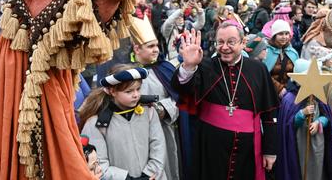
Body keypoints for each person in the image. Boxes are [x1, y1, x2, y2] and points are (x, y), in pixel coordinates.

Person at [171, 23, 279, 180]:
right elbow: (182, 89)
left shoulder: (258, 69)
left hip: (248, 152)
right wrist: (189, 65)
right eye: (220, 42)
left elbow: (269, 114)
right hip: (210, 151)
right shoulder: (205, 66)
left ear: (243, 42)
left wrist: (270, 150)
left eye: (231, 42)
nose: (225, 47)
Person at [80, 64, 167, 180]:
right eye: (129, 91)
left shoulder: (149, 112)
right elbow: (98, 162)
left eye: (138, 89)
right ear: (112, 91)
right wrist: (126, 178)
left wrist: (149, 174)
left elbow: (158, 147)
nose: (136, 95)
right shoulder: (96, 123)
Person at [130, 17, 181, 180]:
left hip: (163, 131)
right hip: (136, 134)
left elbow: (179, 99)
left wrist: (162, 109)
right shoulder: (126, 73)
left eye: (157, 46)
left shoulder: (165, 69)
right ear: (137, 49)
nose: (156, 50)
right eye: (150, 46)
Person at [277, 59, 332, 180]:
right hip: (299, 144)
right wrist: (301, 114)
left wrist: (318, 122)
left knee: (317, 168)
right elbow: (288, 125)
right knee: (300, 167)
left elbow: (326, 117)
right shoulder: (289, 99)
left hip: (317, 143)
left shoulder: (317, 96)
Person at [264, 19, 299, 98]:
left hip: (290, 93)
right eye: (280, 34)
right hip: (271, 94)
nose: (284, 37)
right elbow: (264, 75)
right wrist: (279, 89)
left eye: (286, 34)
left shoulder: (293, 52)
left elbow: (297, 74)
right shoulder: (266, 52)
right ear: (274, 35)